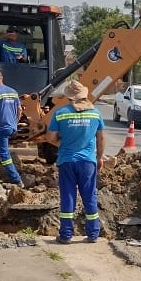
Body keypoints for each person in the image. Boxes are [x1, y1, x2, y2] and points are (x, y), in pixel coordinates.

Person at [51, 79, 105, 244]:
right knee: (90, 196)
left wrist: (64, 143)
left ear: (69, 97)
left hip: (67, 161)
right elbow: (101, 138)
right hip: (88, 162)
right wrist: (100, 157)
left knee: (68, 196)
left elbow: (50, 137)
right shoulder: (95, 113)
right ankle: (93, 234)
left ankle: (66, 235)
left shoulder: (60, 113)